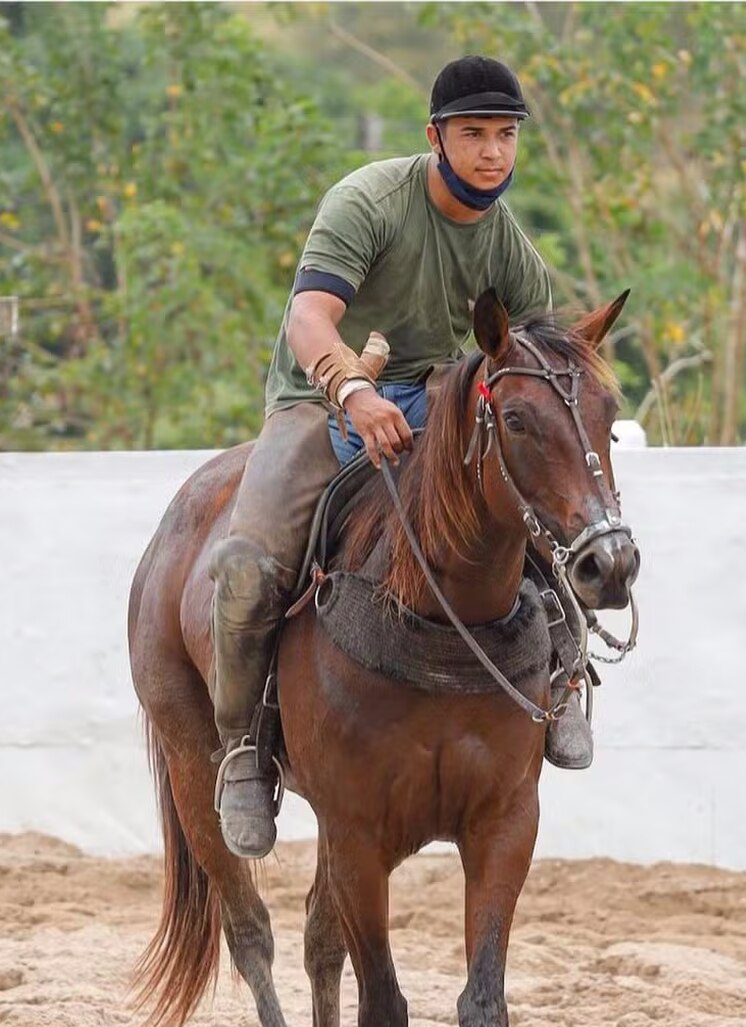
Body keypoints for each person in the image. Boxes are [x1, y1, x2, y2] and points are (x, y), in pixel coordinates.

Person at [209, 55, 594, 861]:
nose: (492, 153)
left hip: (442, 408)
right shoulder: (367, 201)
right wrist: (354, 392)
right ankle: (244, 750)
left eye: (505, 135)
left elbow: (543, 361)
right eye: (473, 134)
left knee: (547, 512)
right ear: (435, 138)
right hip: (321, 401)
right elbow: (309, 319)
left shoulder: (510, 249)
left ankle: (565, 679)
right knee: (247, 563)